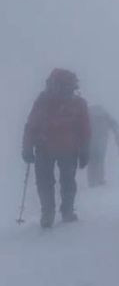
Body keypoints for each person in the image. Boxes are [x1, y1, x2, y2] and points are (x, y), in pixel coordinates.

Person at [22, 68, 91, 228]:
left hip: (52, 147)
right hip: (59, 147)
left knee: (50, 182)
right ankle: (57, 212)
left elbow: (31, 125)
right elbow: (84, 129)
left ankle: (53, 212)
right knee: (61, 181)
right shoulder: (72, 102)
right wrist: (84, 149)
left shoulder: (46, 100)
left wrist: (27, 147)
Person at [87, 105, 119, 187]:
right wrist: (118, 136)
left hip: (91, 140)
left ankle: (92, 181)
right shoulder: (105, 115)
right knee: (100, 158)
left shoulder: (89, 115)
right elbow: (115, 125)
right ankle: (100, 179)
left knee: (92, 160)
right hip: (102, 139)